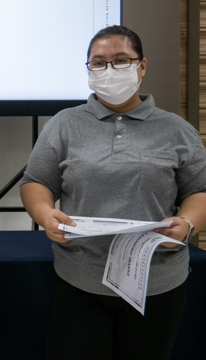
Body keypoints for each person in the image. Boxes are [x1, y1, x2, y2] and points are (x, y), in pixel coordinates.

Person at [20, 25, 206, 360]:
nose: (109, 70)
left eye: (121, 61)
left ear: (142, 66)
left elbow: (200, 190)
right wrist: (44, 213)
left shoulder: (177, 129)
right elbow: (36, 182)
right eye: (99, 62)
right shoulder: (64, 125)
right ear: (88, 69)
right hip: (80, 279)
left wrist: (187, 224)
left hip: (158, 281)